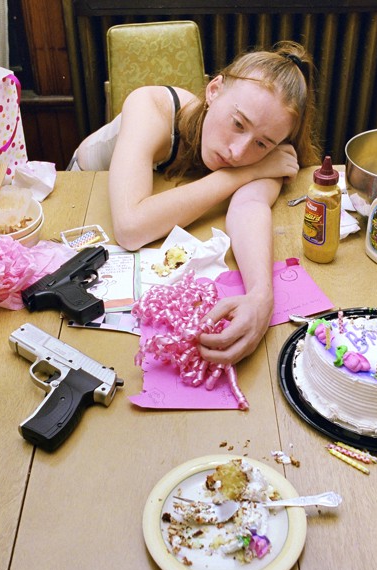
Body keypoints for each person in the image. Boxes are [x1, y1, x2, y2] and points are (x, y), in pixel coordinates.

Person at [69, 41, 321, 366]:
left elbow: (250, 207)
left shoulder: (266, 140)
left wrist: (261, 297)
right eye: (238, 124)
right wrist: (248, 172)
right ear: (214, 89)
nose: (238, 152)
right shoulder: (152, 106)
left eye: (261, 144)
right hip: (79, 202)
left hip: (156, 209)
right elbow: (130, 227)